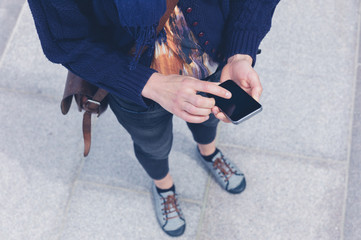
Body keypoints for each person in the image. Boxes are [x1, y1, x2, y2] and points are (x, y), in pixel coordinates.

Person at [28, 0, 280, 237]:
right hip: (133, 78)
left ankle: (209, 152)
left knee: (209, 119)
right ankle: (164, 187)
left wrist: (240, 52)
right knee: (152, 144)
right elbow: (65, 41)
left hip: (213, 54)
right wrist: (146, 84)